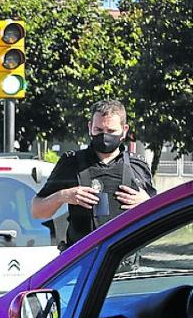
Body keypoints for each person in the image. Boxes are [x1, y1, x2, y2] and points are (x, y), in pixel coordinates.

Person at [31, 99, 155, 249]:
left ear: (124, 130)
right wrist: (63, 196)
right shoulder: (71, 163)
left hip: (125, 264)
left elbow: (160, 217)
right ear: (90, 128)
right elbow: (37, 211)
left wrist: (148, 204)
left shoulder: (137, 166)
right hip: (83, 261)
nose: (104, 136)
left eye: (111, 131)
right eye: (99, 130)